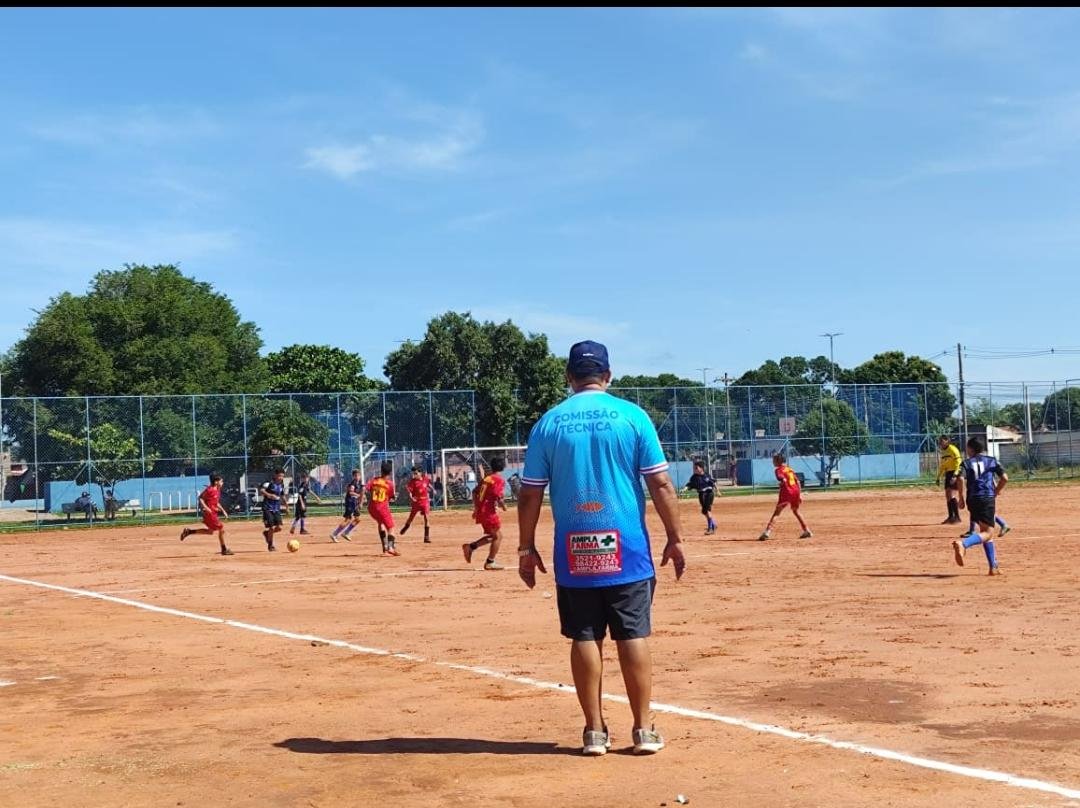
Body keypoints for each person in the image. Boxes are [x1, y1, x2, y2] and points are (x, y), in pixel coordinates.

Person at [517, 340, 686, 757]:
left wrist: (525, 546)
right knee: (632, 633)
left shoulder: (549, 423)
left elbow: (529, 493)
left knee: (584, 635)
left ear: (569, 377)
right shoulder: (633, 417)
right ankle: (643, 729)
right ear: (607, 376)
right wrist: (675, 537)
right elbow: (660, 482)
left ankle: (594, 731)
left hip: (574, 549)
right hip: (627, 547)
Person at [951, 437, 1008, 575]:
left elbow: (959, 478)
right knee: (988, 533)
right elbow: (1005, 478)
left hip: (972, 499)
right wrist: (997, 490)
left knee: (985, 531)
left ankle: (993, 566)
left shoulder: (966, 463)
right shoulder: (991, 460)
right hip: (986, 498)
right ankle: (963, 544)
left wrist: (961, 497)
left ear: (971, 449)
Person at [462, 457, 508, 570]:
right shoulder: (499, 480)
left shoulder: (487, 478)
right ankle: (490, 562)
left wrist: (476, 508)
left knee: (493, 536)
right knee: (498, 536)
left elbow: (474, 492)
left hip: (482, 511)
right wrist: (503, 506)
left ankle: (471, 547)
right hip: (489, 512)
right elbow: (498, 496)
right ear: (503, 467)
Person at [759, 454, 812, 540]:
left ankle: (767, 532)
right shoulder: (790, 469)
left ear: (778, 461)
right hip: (796, 491)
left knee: (777, 512)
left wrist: (782, 481)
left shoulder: (778, 470)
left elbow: (781, 477)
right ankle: (807, 530)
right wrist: (799, 495)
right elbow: (797, 482)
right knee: (796, 511)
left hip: (787, 492)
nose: (773, 462)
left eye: (774, 460)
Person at [181, 474, 232, 555]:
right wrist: (206, 507)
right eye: (221, 481)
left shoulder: (217, 490)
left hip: (213, 513)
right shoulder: (210, 489)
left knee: (210, 531)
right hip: (210, 514)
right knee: (221, 529)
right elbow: (200, 498)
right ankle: (224, 549)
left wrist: (223, 510)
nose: (223, 482)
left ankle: (189, 532)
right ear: (216, 482)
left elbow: (216, 502)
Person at [365, 460, 399, 556]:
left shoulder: (374, 480)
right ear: (390, 472)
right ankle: (391, 547)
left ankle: (384, 546)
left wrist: (361, 499)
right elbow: (391, 496)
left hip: (372, 508)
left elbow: (366, 488)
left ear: (381, 471)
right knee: (391, 528)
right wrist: (393, 498)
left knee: (381, 523)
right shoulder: (389, 484)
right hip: (382, 508)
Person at [935, 436, 963, 525]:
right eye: (940, 442)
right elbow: (943, 465)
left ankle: (957, 517)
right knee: (947, 495)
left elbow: (959, 463)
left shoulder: (953, 449)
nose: (940, 443)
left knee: (951, 495)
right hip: (948, 473)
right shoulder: (943, 451)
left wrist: (955, 475)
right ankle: (951, 517)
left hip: (954, 473)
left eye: (942, 441)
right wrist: (938, 477)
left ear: (947, 441)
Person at [400, 465, 432, 543]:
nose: (414, 475)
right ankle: (406, 526)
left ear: (420, 473)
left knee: (426, 518)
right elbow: (410, 491)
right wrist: (411, 497)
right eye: (413, 473)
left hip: (425, 501)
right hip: (416, 502)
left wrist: (432, 489)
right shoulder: (413, 481)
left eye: (416, 473)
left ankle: (426, 537)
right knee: (411, 518)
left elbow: (428, 484)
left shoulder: (425, 479)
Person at [329, 469, 362, 543]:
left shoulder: (358, 483)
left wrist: (359, 499)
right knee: (348, 520)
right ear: (353, 476)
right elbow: (350, 492)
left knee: (357, 519)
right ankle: (334, 534)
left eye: (358, 475)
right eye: (356, 475)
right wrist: (359, 495)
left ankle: (346, 533)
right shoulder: (353, 483)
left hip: (354, 503)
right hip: (350, 502)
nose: (357, 477)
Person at [685, 461, 717, 535]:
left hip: (709, 493)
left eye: (696, 468)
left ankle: (710, 528)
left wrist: (718, 491)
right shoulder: (694, 477)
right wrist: (684, 489)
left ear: (701, 468)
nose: (695, 469)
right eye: (694, 468)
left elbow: (713, 483)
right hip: (701, 494)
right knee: (704, 511)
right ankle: (713, 524)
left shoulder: (706, 475)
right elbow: (690, 484)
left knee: (707, 511)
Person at [260, 468, 288, 552]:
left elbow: (282, 495)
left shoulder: (281, 484)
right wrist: (269, 495)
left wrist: (286, 506)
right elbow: (261, 490)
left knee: (279, 528)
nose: (281, 478)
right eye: (279, 476)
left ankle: (267, 534)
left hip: (276, 509)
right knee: (271, 527)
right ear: (275, 475)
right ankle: (270, 545)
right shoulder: (269, 483)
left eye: (282, 476)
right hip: (267, 508)